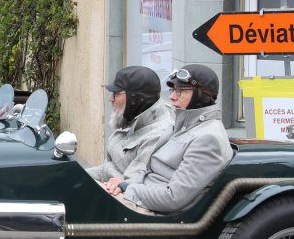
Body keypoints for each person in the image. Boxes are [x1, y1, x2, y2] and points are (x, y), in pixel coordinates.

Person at [105, 64, 231, 214]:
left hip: (153, 212)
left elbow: (174, 197)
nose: (172, 96)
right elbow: (147, 169)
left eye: (180, 91)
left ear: (201, 95)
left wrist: (127, 187)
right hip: (141, 197)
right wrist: (125, 183)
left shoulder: (208, 138)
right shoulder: (181, 126)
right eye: (173, 90)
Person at [85, 66, 174, 183]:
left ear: (135, 99)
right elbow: (104, 172)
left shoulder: (158, 136)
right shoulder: (135, 122)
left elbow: (130, 185)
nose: (111, 98)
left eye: (116, 93)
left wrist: (109, 169)